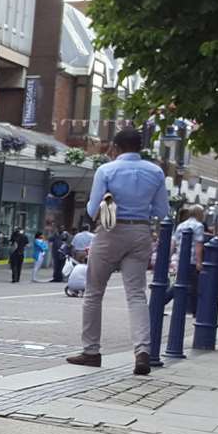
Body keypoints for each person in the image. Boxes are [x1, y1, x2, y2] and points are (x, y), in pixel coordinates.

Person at [65, 127, 169, 375]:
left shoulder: (107, 170)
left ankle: (91, 352)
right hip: (140, 231)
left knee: (93, 293)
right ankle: (142, 351)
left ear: (116, 147)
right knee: (136, 294)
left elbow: (92, 210)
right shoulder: (155, 172)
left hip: (110, 232)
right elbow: (162, 211)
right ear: (140, 147)